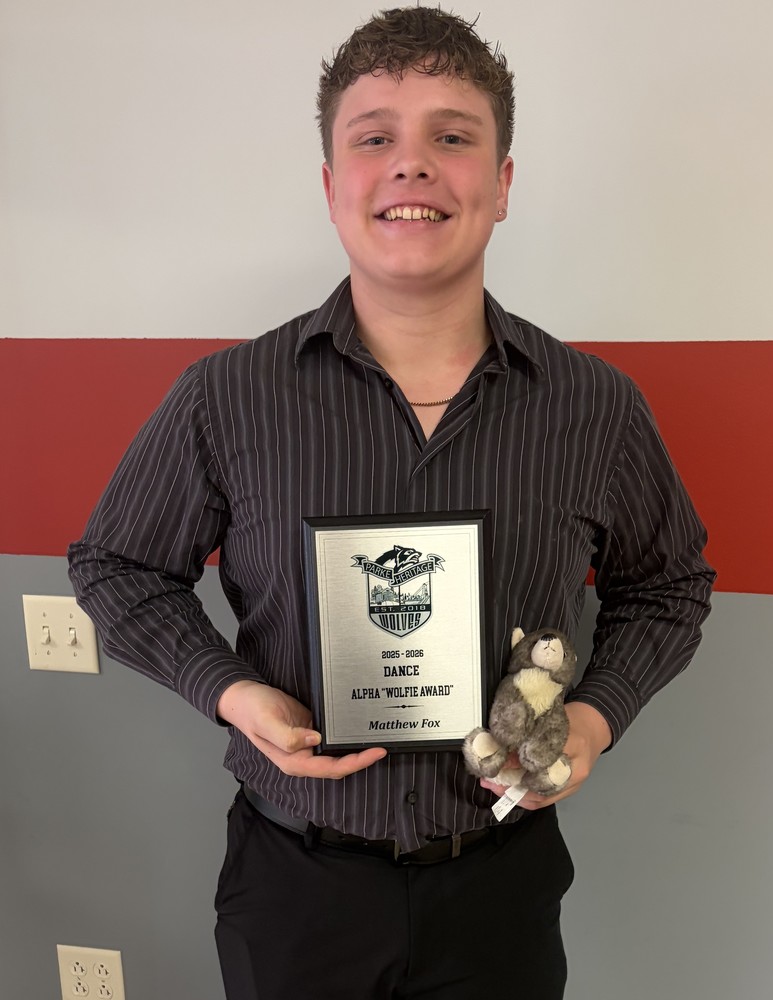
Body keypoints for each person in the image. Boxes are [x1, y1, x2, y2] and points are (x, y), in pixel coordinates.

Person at [68, 7, 715, 999]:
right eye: (374, 139)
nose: (411, 165)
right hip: (295, 884)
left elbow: (667, 584)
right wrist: (232, 693)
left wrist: (588, 724)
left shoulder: (595, 406)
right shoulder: (225, 396)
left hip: (499, 880)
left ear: (500, 184)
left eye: (452, 137)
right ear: (333, 187)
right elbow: (117, 566)